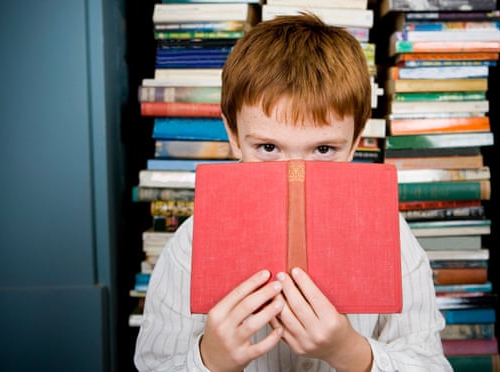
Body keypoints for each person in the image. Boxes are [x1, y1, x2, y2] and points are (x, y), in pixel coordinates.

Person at [135, 13, 452, 371]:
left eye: (323, 149)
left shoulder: (392, 238)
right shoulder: (191, 245)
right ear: (234, 136)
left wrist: (350, 352)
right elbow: (153, 364)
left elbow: (431, 364)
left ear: (356, 142)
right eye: (269, 148)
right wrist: (210, 360)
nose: (293, 176)